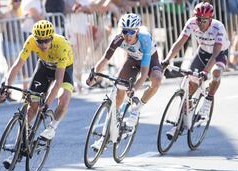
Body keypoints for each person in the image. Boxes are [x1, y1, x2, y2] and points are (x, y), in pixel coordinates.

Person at [86, 13, 163, 150]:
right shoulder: (118, 39)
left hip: (149, 61)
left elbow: (144, 73)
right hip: (132, 60)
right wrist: (94, 76)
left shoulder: (144, 39)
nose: (128, 36)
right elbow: (104, 60)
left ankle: (138, 108)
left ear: (137, 31)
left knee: (156, 79)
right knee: (119, 91)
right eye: (125, 32)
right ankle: (105, 137)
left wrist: (135, 89)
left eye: (131, 32)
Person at [0, 20, 74, 145]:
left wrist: (47, 105)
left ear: (52, 38)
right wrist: (6, 88)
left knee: (64, 97)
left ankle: (52, 128)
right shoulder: (31, 41)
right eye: (40, 41)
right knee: (32, 106)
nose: (43, 44)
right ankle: (20, 142)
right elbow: (17, 66)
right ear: (35, 38)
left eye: (46, 41)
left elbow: (58, 82)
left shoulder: (62, 46)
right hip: (44, 67)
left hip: (64, 69)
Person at [162, 2, 230, 137]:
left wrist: (205, 71)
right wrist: (167, 59)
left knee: (216, 72)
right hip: (202, 52)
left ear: (210, 19)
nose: (200, 23)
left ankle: (208, 99)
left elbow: (216, 53)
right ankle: (180, 123)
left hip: (219, 54)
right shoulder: (192, 23)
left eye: (204, 20)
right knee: (190, 84)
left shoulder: (218, 27)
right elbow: (180, 41)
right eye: (198, 19)